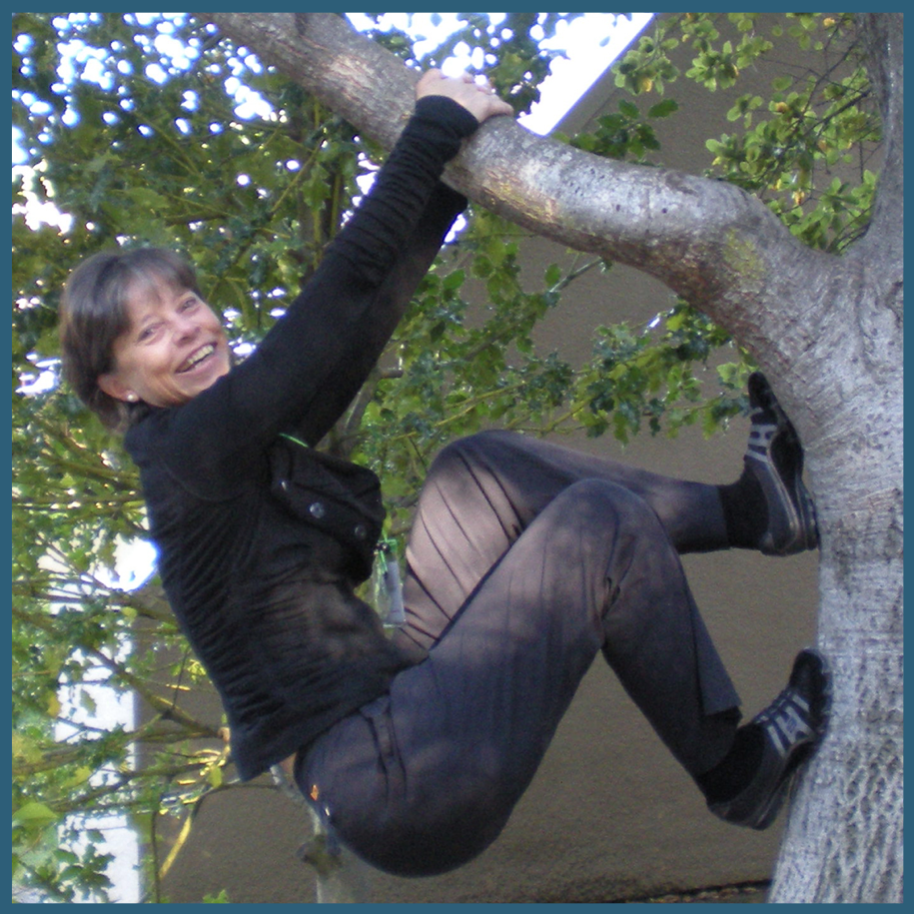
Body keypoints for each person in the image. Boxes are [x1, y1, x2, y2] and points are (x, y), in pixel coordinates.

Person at [59, 70, 829, 878]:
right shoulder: (187, 454)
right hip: (395, 780)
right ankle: (734, 772)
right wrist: (431, 127)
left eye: (188, 305)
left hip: (399, 703)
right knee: (596, 523)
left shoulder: (228, 445)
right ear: (118, 385)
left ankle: (756, 513)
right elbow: (335, 297)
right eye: (151, 331)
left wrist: (455, 177)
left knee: (479, 470)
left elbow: (362, 322)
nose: (188, 330)